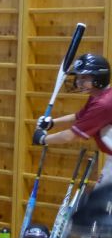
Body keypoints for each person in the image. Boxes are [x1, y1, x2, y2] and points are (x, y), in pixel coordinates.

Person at [34, 53, 112, 181]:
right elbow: (78, 116)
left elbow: (70, 136)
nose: (78, 82)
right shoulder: (99, 96)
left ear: (99, 78)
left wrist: (43, 139)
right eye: (78, 77)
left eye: (84, 77)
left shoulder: (103, 104)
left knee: (100, 194)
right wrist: (52, 122)